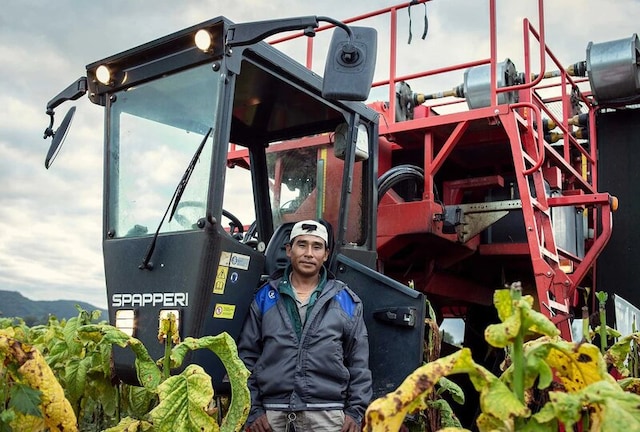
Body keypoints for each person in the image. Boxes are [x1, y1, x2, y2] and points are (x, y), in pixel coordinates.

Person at [238, 219, 372, 432]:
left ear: (326, 254)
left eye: (317, 246)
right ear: (289, 250)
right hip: (271, 418)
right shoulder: (265, 297)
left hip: (328, 418)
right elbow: (246, 358)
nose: (309, 253)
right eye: (302, 245)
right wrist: (254, 410)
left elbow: (359, 363)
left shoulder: (345, 300)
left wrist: (355, 413)